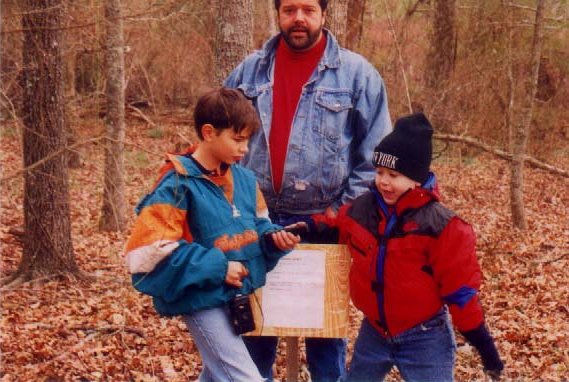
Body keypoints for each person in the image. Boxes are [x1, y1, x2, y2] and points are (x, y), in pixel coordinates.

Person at [224, 0, 392, 380]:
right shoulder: (248, 73)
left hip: (326, 224)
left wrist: (338, 214)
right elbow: (220, 139)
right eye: (289, 9)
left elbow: (375, 155)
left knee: (326, 339)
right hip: (256, 220)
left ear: (323, 14)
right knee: (254, 333)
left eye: (308, 9)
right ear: (278, 13)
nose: (298, 18)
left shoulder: (356, 75)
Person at [307, 113, 504, 381]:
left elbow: (461, 294)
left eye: (394, 175)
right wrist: (304, 229)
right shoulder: (361, 210)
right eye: (379, 172)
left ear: (417, 179)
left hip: (425, 336)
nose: (384, 181)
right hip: (375, 332)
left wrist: (485, 348)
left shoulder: (443, 228)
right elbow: (334, 227)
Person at [124, 88, 302, 382]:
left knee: (215, 374)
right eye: (237, 139)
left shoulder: (244, 179)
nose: (245, 149)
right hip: (201, 298)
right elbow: (147, 253)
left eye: (247, 140)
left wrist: (273, 238)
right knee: (243, 377)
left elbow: (257, 225)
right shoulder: (177, 184)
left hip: (236, 296)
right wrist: (220, 267)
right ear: (209, 132)